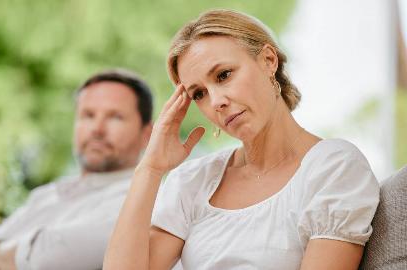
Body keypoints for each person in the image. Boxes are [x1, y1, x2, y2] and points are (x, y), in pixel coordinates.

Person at [104, 9, 380, 270]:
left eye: (224, 75)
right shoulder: (193, 181)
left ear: (268, 61)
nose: (216, 102)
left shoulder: (333, 168)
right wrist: (150, 168)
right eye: (199, 93)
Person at [0, 68, 154, 270]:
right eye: (88, 115)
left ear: (147, 134)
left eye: (115, 117)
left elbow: (48, 255)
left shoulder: (143, 202)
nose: (97, 129)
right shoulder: (45, 196)